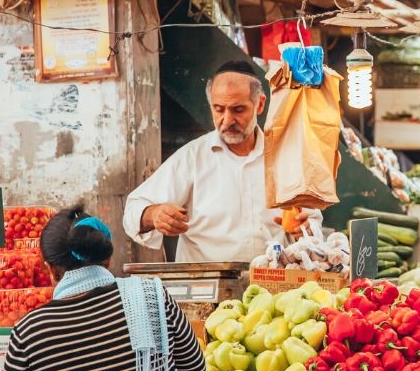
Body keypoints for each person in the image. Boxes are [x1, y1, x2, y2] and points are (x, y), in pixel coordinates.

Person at [123, 61, 322, 262]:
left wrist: (306, 230)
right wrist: (154, 214)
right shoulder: (192, 157)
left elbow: (311, 221)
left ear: (260, 104)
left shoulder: (285, 157)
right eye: (218, 109)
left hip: (272, 284)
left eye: (238, 110)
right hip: (204, 284)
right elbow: (133, 210)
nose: (227, 120)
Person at [3, 206, 205, 371]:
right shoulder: (153, 296)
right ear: (106, 258)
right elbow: (195, 370)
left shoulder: (28, 332)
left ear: (51, 269)